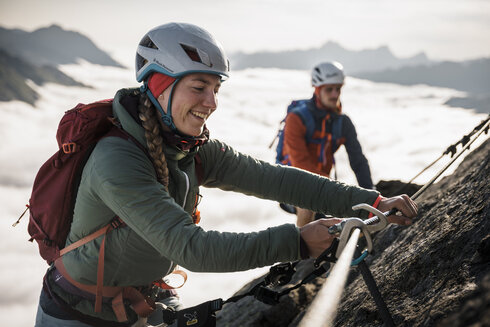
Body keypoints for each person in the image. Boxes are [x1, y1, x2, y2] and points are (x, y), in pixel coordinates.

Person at [34, 23, 418, 327]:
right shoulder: (117, 159)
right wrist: (297, 242)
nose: (211, 103)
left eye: (215, 89)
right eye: (199, 87)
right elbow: (192, 249)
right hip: (76, 315)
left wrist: (373, 200)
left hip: (147, 303)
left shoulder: (188, 146)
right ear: (159, 86)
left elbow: (276, 179)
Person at [280, 61, 374, 227]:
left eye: (338, 89)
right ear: (317, 90)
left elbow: (358, 161)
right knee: (306, 204)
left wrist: (372, 198)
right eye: (329, 89)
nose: (334, 94)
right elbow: (300, 164)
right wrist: (336, 190)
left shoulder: (342, 123)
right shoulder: (296, 119)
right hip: (291, 182)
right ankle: (301, 250)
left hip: (323, 185)